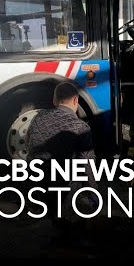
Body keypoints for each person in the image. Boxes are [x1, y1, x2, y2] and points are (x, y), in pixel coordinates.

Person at [26, 82, 99, 231]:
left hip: (33, 189)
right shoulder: (81, 127)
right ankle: (66, 220)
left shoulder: (36, 119)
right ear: (75, 101)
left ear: (54, 101)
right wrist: (94, 194)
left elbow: (29, 146)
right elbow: (87, 165)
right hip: (61, 193)